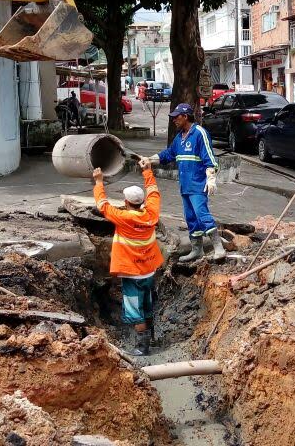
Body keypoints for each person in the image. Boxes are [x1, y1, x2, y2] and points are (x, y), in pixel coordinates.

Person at [92, 157, 163, 356]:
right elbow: (154, 193)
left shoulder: (123, 218)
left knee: (134, 310)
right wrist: (147, 171)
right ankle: (152, 338)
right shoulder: (151, 215)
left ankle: (142, 347)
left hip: (132, 274)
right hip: (148, 270)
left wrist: (99, 182)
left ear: (126, 202)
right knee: (147, 303)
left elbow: (103, 206)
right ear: (141, 203)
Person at [145, 103, 225, 262]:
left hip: (197, 185)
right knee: (190, 218)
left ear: (185, 116)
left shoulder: (199, 134)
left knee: (202, 215)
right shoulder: (179, 138)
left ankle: (218, 247)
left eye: (177, 117)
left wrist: (211, 179)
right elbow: (168, 154)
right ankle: (197, 250)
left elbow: (209, 158)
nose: (174, 119)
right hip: (185, 186)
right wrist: (149, 160)